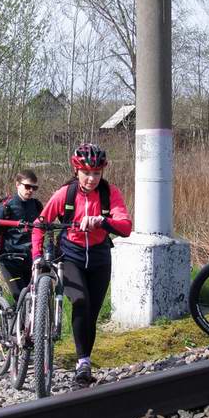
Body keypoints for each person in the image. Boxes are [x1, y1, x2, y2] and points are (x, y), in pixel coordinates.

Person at [32, 143, 132, 385]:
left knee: (92, 314)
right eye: (86, 173)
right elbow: (40, 223)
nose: (91, 178)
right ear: (76, 171)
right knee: (80, 301)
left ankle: (84, 363)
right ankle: (82, 362)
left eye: (96, 173)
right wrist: (36, 257)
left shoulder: (110, 193)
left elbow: (126, 227)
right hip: (71, 256)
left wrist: (103, 221)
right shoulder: (65, 194)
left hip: (99, 258)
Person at [0, 169, 43, 301]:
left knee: (35, 300)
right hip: (10, 261)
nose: (31, 190)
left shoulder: (37, 206)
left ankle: (29, 322)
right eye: (27, 186)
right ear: (17, 184)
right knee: (20, 297)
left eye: (34, 188)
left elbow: (43, 230)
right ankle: (14, 320)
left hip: (31, 261)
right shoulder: (6, 207)